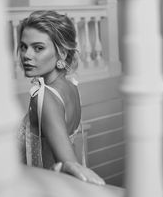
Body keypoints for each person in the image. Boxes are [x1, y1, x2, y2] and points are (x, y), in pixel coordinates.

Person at [17, 10, 105, 186]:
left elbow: (69, 165)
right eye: (24, 46)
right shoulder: (71, 85)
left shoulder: (45, 96)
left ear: (62, 53)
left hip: (41, 187)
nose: (26, 55)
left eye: (38, 48)